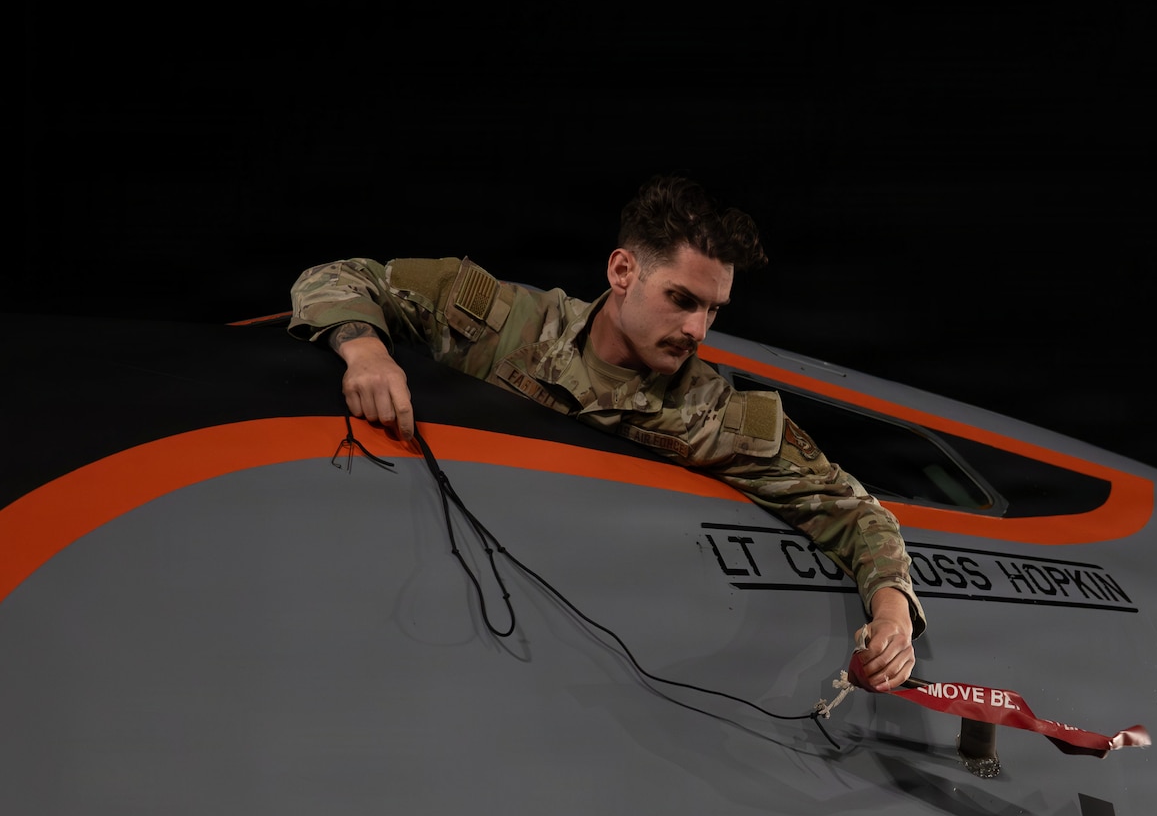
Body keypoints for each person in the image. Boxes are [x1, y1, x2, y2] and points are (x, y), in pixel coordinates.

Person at [287, 175, 920, 691]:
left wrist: (891, 613)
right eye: (682, 299)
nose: (698, 330)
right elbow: (339, 276)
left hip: (576, 641)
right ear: (622, 271)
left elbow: (852, 511)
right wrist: (365, 350)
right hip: (419, 579)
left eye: (713, 310)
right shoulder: (501, 321)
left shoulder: (712, 413)